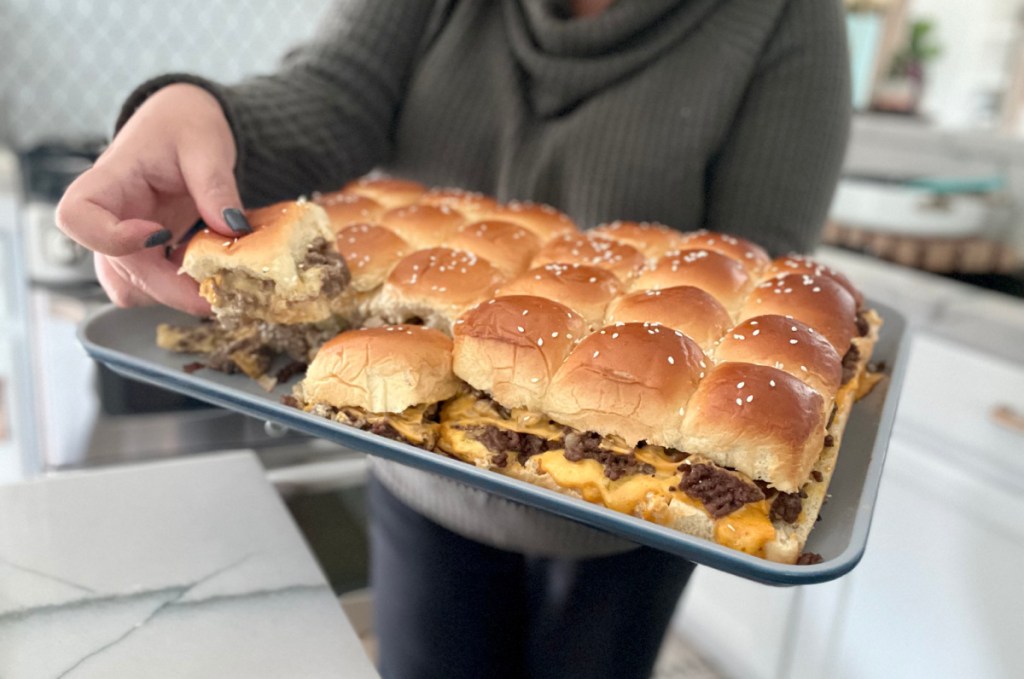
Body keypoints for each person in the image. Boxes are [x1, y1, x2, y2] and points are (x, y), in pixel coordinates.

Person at [57, 1, 851, 677]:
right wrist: (204, 116)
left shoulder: (784, 18)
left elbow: (761, 286)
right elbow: (333, 93)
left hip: (639, 525)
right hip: (421, 468)